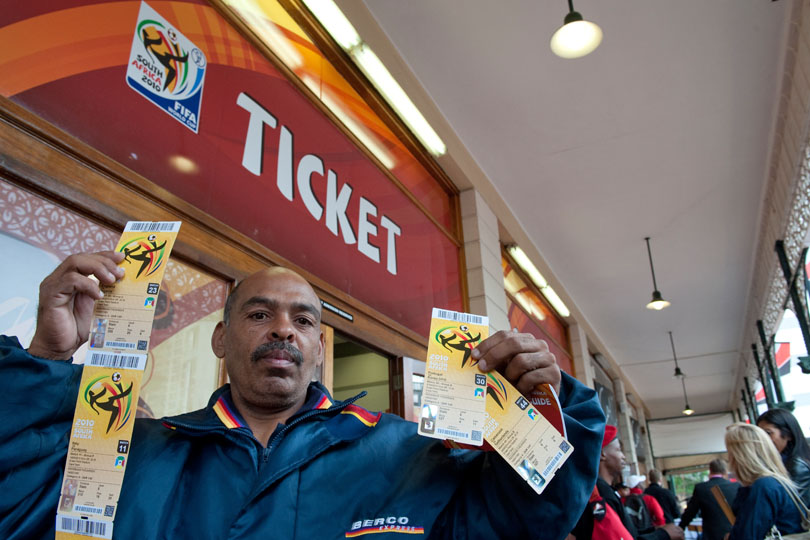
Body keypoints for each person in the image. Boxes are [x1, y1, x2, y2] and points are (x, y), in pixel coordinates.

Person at [0, 251, 606, 539]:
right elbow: (19, 510)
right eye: (259, 314)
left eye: (304, 321)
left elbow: (523, 520)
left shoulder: (406, 452)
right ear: (220, 338)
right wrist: (46, 360)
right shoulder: (138, 449)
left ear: (319, 349)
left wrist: (543, 405)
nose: (283, 329)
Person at [571, 425, 684, 540]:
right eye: (619, 450)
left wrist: (655, 530)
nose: (624, 456)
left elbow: (627, 533)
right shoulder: (601, 494)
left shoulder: (606, 490)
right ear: (602, 454)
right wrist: (662, 535)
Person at [725, 423, 807, 539]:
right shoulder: (777, 481)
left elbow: (747, 535)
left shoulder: (763, 486)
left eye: (730, 452)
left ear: (740, 455)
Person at [757, 407, 810, 507]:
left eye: (768, 433)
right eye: (760, 435)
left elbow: (790, 507)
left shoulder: (797, 465)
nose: (763, 440)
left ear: (788, 434)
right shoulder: (780, 461)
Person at [678, 459, 739, 540]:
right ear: (725, 471)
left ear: (710, 470)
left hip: (711, 535)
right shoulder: (736, 486)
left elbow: (690, 512)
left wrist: (681, 527)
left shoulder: (701, 488)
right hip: (733, 534)